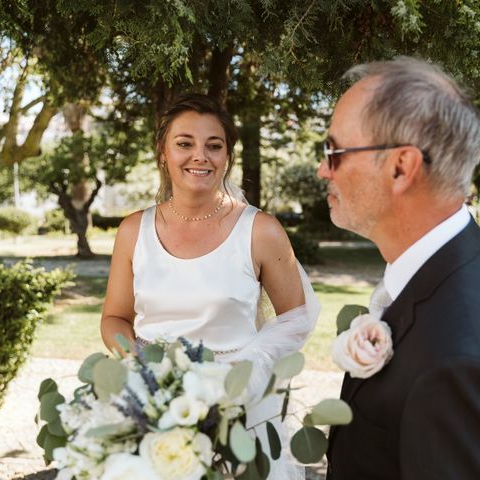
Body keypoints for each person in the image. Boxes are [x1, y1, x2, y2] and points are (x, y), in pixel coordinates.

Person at [319, 57, 480, 479]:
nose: (323, 170)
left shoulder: (463, 365)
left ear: (401, 167)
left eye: (334, 152)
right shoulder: (465, 269)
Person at [100, 93, 318, 479]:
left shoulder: (261, 230)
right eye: (184, 143)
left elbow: (296, 320)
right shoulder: (133, 231)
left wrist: (237, 378)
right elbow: (115, 318)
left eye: (213, 146)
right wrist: (144, 372)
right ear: (163, 153)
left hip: (239, 409)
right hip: (154, 408)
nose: (200, 156)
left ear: (227, 157)